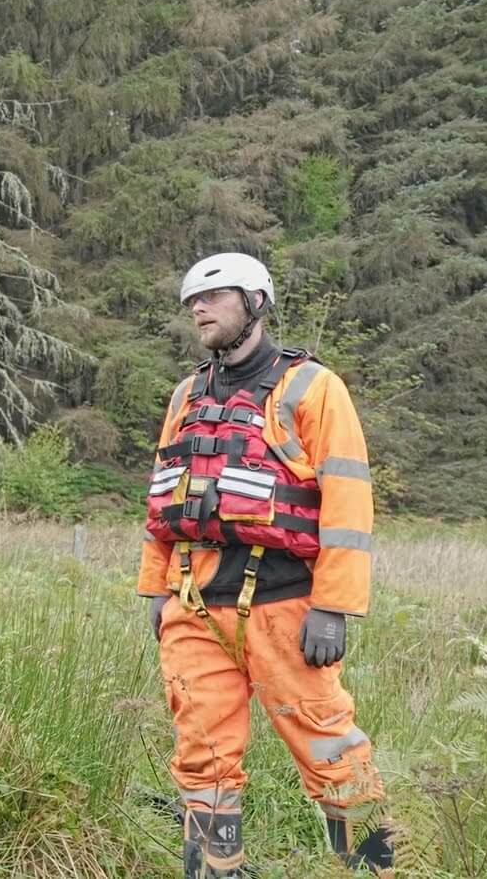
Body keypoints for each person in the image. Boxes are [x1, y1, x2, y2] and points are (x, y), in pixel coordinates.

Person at [138, 253, 393, 877]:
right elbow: (163, 496)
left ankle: (372, 868)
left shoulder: (312, 386)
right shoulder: (186, 393)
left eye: (214, 297)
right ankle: (216, 871)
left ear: (255, 302)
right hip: (193, 605)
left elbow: (348, 501)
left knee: (328, 746)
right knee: (202, 754)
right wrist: (156, 590)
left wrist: (333, 605)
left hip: (284, 602)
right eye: (192, 301)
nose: (198, 308)